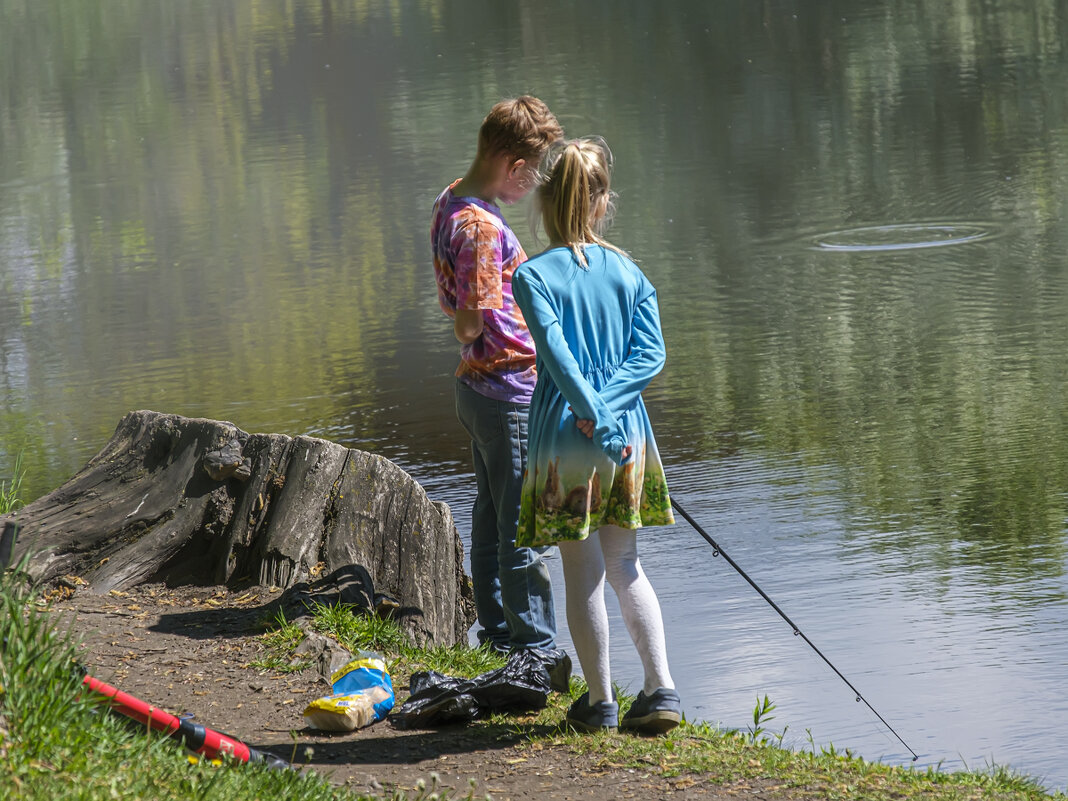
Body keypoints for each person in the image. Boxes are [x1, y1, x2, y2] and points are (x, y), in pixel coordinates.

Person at [511, 137, 681, 734]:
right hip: (627, 435)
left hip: (567, 436)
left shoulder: (531, 276)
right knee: (626, 564)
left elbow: (556, 359)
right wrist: (609, 411)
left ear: (546, 201)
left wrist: (589, 410)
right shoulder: (630, 272)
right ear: (602, 201)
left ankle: (601, 703)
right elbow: (651, 355)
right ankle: (661, 690)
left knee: (581, 573)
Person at [430, 96, 564, 652]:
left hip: (477, 391)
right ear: (513, 165)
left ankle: (499, 633)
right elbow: (468, 324)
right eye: (533, 172)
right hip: (508, 392)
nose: (534, 184)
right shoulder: (483, 229)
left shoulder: (451, 196)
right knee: (522, 529)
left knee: (490, 518)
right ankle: (535, 649)